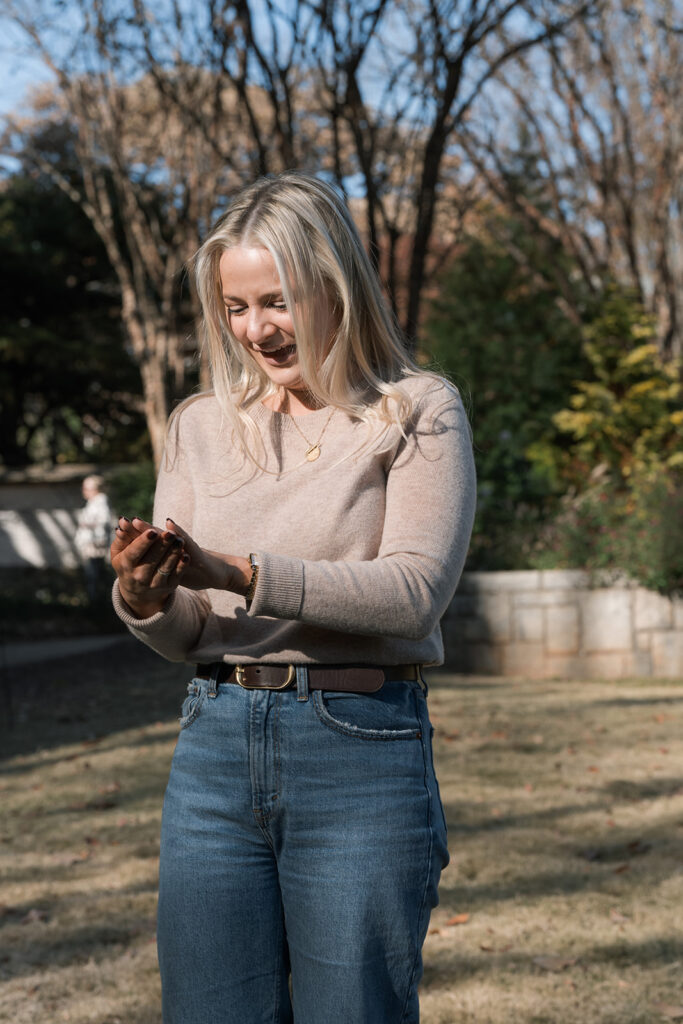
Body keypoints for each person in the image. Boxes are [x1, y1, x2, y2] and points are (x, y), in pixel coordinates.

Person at [110, 171, 476, 1024]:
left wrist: (238, 572)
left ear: (334, 287)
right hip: (212, 744)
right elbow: (194, 626)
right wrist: (147, 597)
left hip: (358, 750)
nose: (256, 329)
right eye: (235, 308)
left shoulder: (415, 409)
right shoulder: (200, 423)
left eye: (276, 302)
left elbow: (412, 595)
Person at [74, 474, 112, 602]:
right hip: (91, 544)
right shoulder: (93, 502)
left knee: (94, 575)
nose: (84, 491)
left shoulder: (101, 501)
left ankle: (97, 602)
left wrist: (86, 524)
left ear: (96, 489)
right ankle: (96, 601)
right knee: (93, 574)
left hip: (95, 545)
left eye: (87, 488)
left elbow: (103, 521)